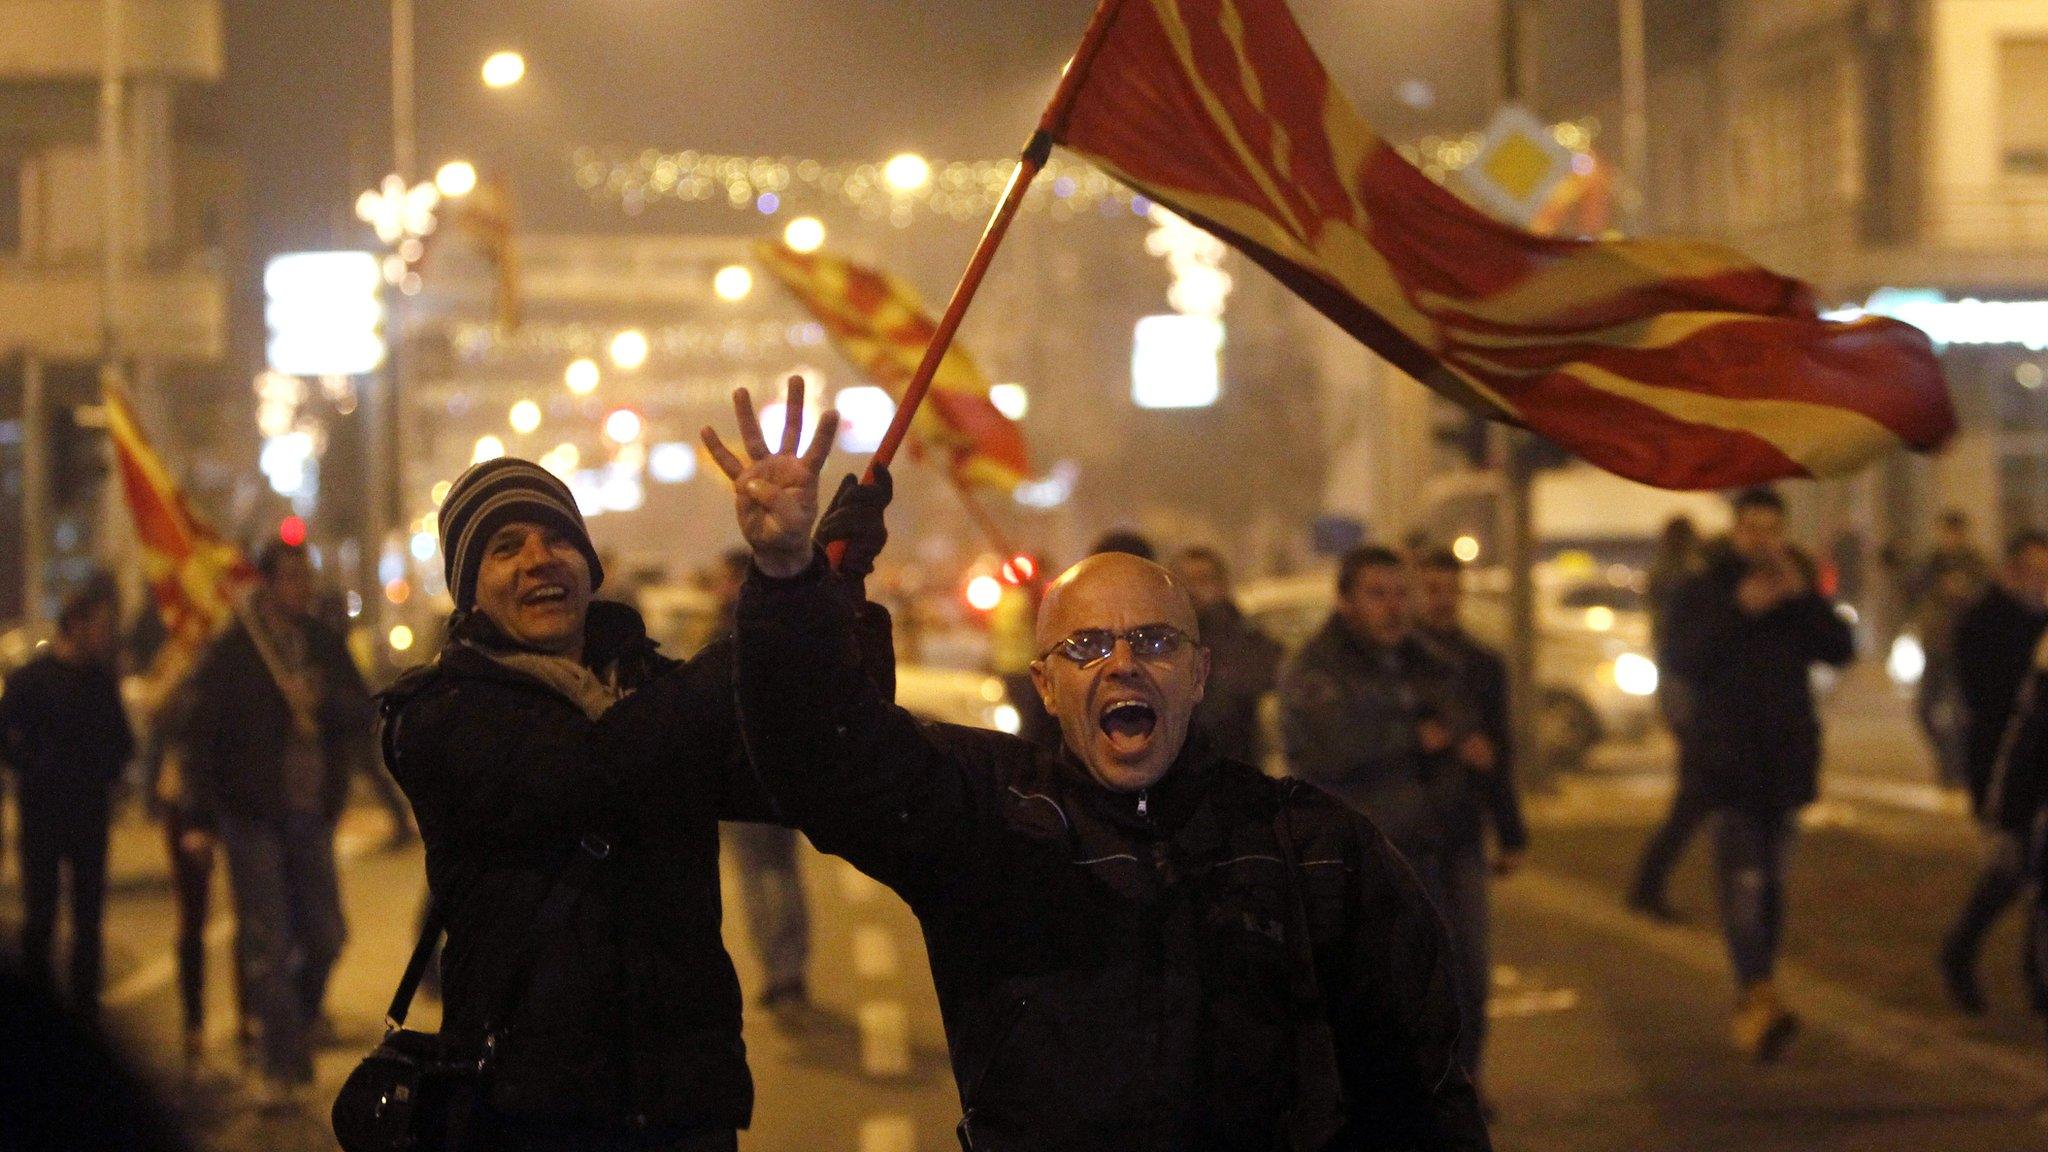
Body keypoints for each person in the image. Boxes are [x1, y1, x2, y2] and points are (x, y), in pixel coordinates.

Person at [706, 389, 1489, 1151]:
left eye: (1153, 642)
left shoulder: (1313, 849)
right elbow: (823, 759)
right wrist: (790, 580)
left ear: (1199, 672)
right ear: (1046, 683)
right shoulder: (986, 818)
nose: (1121, 664)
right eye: (1086, 647)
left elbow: (1419, 1089)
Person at [380, 422, 890, 1150]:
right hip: (528, 1115)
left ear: (588, 564)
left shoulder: (651, 685)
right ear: (469, 590)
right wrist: (769, 602)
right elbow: (600, 769)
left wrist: (820, 586)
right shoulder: (439, 717)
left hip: (683, 1109)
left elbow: (815, 762)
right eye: (505, 547)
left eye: (557, 539)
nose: (538, 561)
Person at [1659, 487, 1853, 1061]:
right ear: (1736, 530)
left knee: (1770, 886)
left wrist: (1804, 602)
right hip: (1728, 765)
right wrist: (1738, 610)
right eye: (1752, 529)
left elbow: (1839, 649)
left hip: (1786, 765)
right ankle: (1757, 993)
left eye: (1772, 529)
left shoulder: (1796, 591)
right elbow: (1682, 658)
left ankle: (1758, 991)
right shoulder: (1706, 588)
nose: (1762, 541)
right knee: (1743, 886)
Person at [182, 541, 373, 1102]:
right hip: (253, 813)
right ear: (266, 582)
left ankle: (296, 1024)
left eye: (306, 577)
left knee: (325, 935)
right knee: (267, 939)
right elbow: (202, 735)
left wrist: (320, 699)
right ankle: (279, 1063)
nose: (303, 588)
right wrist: (197, 816)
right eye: (291, 577)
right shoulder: (235, 650)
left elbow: (360, 709)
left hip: (312, 812)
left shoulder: (322, 644)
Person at [1409, 548, 1529, 1096]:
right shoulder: (1398, 663)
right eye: (1431, 589)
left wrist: (1510, 832)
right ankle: (1429, 1080)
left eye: (1450, 590)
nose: (1442, 601)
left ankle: (1467, 1077)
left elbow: (1498, 752)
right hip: (1410, 832)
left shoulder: (1482, 664)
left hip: (1461, 831)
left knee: (1472, 967)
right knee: (1420, 965)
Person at [1278, 547, 1462, 883]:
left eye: (1401, 594)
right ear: (1345, 601)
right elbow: (1327, 751)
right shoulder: (1319, 668)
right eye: (1377, 594)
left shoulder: (1418, 659)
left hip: (1420, 848)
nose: (1393, 607)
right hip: (1351, 854)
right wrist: (1412, 737)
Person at [0, 575, 133, 1024]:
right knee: (41, 916)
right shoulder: (30, 680)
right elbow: (7, 741)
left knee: (88, 920)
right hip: (42, 814)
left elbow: (121, 741)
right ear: (75, 625)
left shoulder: (100, 682)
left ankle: (84, 1007)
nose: (106, 634)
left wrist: (107, 776)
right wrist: (34, 767)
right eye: (99, 625)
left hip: (90, 815)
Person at [709, 548, 818, 1026]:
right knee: (777, 876)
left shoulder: (727, 632)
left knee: (763, 878)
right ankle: (787, 971)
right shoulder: (782, 625)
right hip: (777, 776)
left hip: (747, 778)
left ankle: (781, 974)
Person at [1940, 531, 2048, 1014]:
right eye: (2034, 572)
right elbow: (1990, 701)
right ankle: (1961, 950)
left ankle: (2036, 976)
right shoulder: (1985, 622)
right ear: (2011, 571)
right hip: (2004, 767)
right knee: (2011, 869)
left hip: (2039, 762)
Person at [1628, 515, 1711, 922]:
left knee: (1693, 801)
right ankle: (1647, 886)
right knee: (1691, 801)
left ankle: (1648, 885)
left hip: (1676, 688)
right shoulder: (1680, 579)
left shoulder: (1664, 575)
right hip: (1686, 692)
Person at [1170, 546, 1282, 766]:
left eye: (1203, 580)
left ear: (1222, 585)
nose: (1193, 589)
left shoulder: (1248, 640)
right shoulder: (1165, 638)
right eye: (1185, 580)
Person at [1908, 510, 1991, 790]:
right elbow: (1912, 591)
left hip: (1966, 649)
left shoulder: (1976, 564)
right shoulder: (1931, 563)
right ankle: (1946, 762)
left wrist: (1964, 593)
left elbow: (1988, 600)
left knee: (1961, 711)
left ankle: (1959, 769)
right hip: (1934, 645)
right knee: (1924, 709)